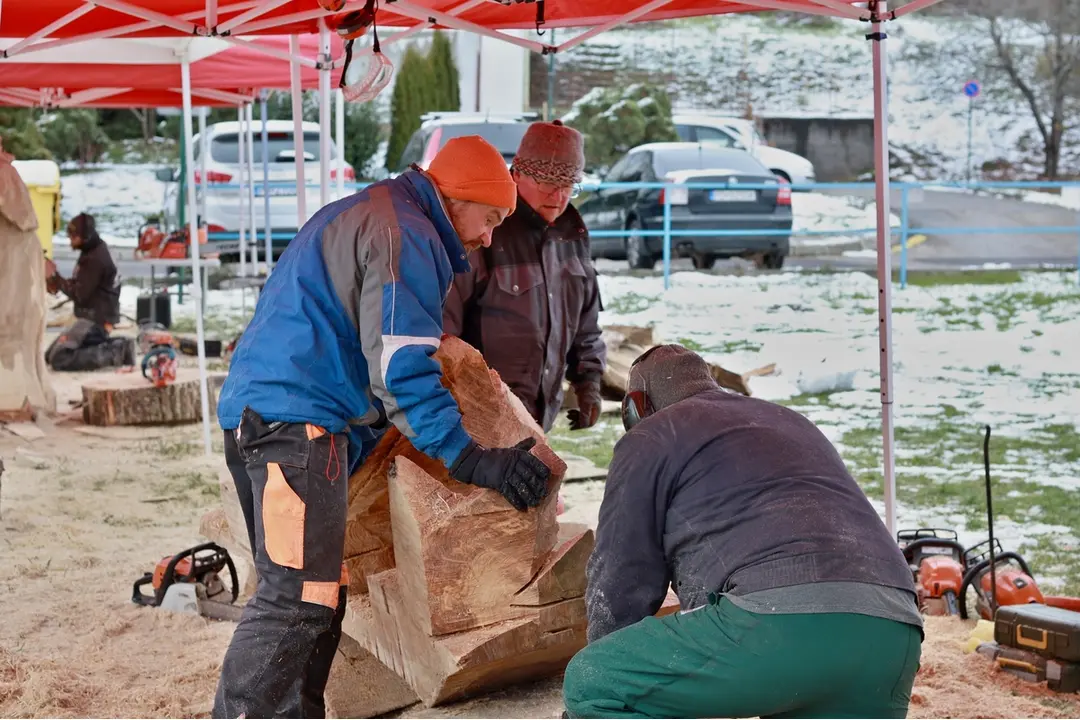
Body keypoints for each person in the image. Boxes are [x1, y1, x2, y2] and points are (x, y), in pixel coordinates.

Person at [212, 135, 553, 720]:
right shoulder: (407, 234)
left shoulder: (373, 211)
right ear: (459, 196)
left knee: (320, 595)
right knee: (296, 598)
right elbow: (400, 366)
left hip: (275, 417)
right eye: (491, 217)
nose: (489, 236)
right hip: (292, 426)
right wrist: (468, 458)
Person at [563, 344, 924, 719]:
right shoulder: (788, 420)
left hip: (779, 628)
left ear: (636, 405)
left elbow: (621, 575)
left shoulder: (652, 435)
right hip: (894, 634)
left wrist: (612, 665)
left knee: (592, 681)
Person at [443, 120, 606, 433]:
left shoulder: (573, 234)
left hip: (539, 416)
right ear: (517, 174)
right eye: (547, 183)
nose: (558, 196)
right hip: (479, 414)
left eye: (568, 186)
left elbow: (586, 321)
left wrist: (590, 381)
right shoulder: (486, 228)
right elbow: (444, 325)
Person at [43, 213, 132, 371]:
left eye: (73, 237)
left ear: (84, 236)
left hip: (95, 321)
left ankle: (116, 351)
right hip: (90, 317)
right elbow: (81, 285)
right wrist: (57, 281)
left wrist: (55, 277)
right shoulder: (93, 250)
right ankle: (110, 347)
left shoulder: (95, 259)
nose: (70, 240)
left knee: (59, 358)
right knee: (49, 355)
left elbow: (79, 295)